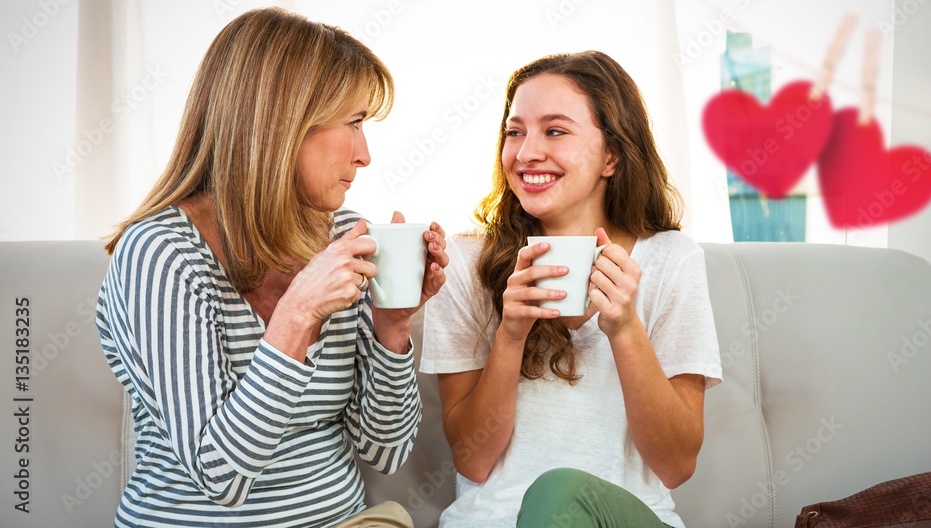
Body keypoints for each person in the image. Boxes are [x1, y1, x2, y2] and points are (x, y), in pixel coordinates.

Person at [95, 8, 447, 528]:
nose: (365, 154)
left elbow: (384, 451)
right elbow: (221, 477)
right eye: (353, 123)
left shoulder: (341, 234)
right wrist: (298, 314)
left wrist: (392, 325)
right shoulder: (162, 252)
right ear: (281, 124)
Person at [420, 51, 722, 527]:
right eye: (514, 131)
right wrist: (511, 335)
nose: (526, 153)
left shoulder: (670, 259)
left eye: (555, 130)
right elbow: (473, 461)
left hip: (617, 519)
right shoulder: (464, 264)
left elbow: (676, 464)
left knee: (560, 492)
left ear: (612, 155)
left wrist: (624, 330)